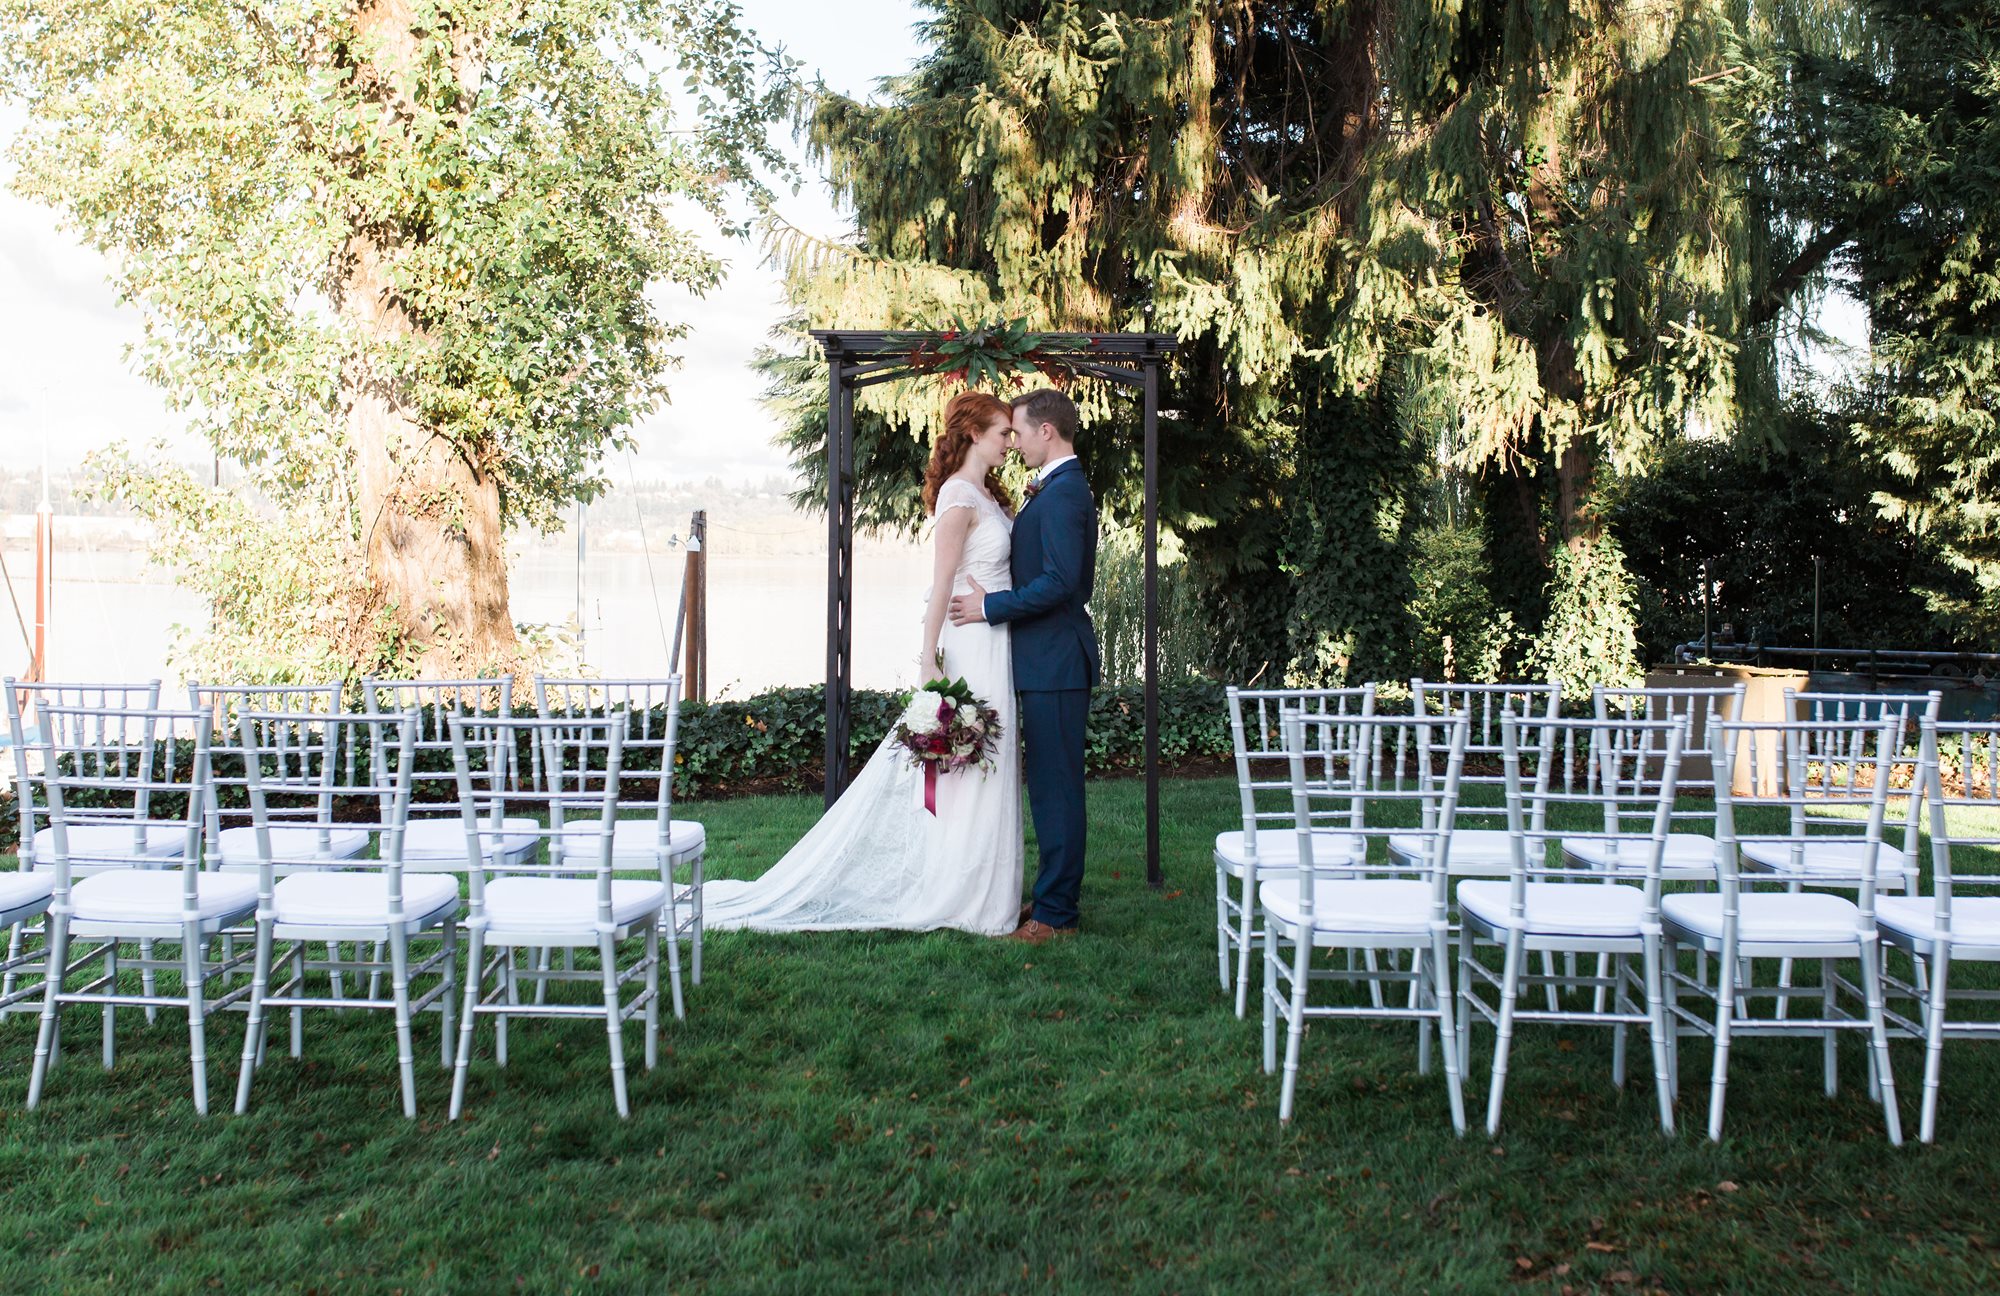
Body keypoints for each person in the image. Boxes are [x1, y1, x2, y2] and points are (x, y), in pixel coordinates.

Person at [700, 391, 1024, 935]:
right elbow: (941, 583)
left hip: (995, 638)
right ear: (974, 434)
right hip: (968, 644)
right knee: (964, 767)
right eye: (1002, 433)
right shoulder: (959, 497)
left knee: (989, 763)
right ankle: (962, 894)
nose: (1010, 442)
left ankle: (989, 893)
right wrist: (929, 661)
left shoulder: (991, 495)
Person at [949, 388, 1098, 944]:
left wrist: (990, 607)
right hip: (1043, 660)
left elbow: (1061, 584)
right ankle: (1052, 897)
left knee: (1057, 790)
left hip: (1056, 661)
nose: (1014, 441)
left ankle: (1056, 915)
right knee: (1049, 787)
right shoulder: (1055, 489)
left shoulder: (1061, 495)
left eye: (1019, 431)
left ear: (1047, 433)